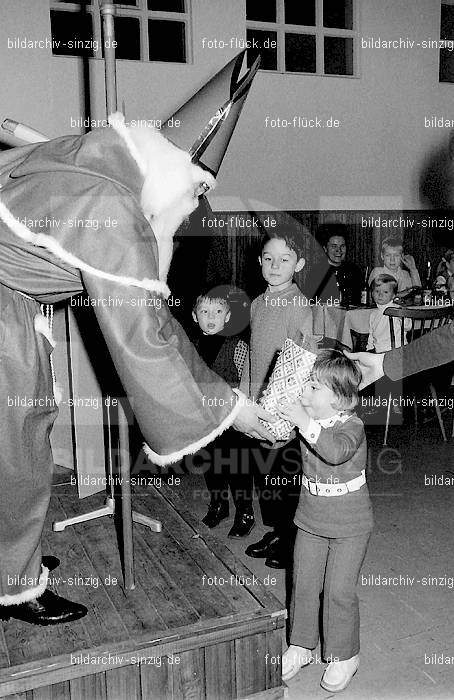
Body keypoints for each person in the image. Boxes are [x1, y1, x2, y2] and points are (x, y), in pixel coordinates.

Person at [0, 52, 273, 625]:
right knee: (16, 451)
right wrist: (230, 406)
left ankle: (10, 559)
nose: (195, 206)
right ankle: (12, 585)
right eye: (199, 190)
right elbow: (146, 333)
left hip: (14, 308)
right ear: (181, 172)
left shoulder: (104, 158)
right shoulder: (114, 211)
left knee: (24, 433)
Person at [277, 350, 373, 693]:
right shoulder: (308, 420)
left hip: (350, 525)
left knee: (339, 591)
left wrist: (304, 423)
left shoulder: (353, 426)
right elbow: (275, 436)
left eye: (314, 386)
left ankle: (345, 655)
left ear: (341, 399)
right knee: (302, 583)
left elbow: (335, 451)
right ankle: (301, 645)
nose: (306, 391)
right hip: (310, 519)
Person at [240, 232, 313, 568]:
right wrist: (244, 399)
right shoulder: (256, 304)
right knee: (264, 474)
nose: (275, 265)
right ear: (259, 262)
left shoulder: (298, 304)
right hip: (256, 401)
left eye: (284, 259)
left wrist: (288, 411)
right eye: (268, 258)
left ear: (297, 264)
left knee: (284, 478)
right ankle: (276, 530)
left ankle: (291, 538)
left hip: (283, 408)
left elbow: (303, 360)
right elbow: (254, 356)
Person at [190, 289, 254, 537]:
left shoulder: (237, 347)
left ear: (227, 316)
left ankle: (245, 511)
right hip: (205, 419)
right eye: (204, 311)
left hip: (231, 419)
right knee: (212, 465)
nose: (211, 317)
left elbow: (248, 380)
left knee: (236, 467)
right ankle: (218, 505)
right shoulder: (190, 347)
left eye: (218, 311)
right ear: (195, 317)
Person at [304, 224, 362, 306]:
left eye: (342, 246)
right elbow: (310, 303)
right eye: (334, 246)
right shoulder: (315, 272)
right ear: (325, 248)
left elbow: (358, 301)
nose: (339, 250)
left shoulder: (354, 271)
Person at [367, 274, 411, 353]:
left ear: (393, 295)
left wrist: (403, 317)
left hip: (398, 350)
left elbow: (408, 327)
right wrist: (369, 349)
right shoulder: (373, 314)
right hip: (379, 351)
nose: (380, 295)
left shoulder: (397, 309)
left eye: (385, 292)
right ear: (372, 293)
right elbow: (371, 335)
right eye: (377, 291)